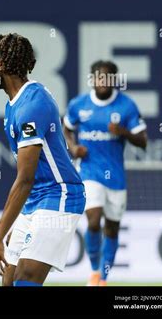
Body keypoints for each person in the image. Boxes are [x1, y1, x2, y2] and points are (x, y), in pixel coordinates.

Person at [0, 33, 85, 286]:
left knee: (26, 278)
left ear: (3, 65)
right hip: (34, 202)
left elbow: (25, 179)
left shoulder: (32, 105)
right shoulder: (14, 104)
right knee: (9, 279)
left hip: (59, 194)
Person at [63, 60, 147, 286]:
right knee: (93, 220)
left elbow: (143, 141)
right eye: (99, 77)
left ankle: (103, 278)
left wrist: (124, 132)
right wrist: (73, 148)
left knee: (111, 227)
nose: (102, 81)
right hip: (89, 172)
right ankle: (94, 271)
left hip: (116, 177)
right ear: (92, 79)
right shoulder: (79, 104)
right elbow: (66, 128)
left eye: (107, 77)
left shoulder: (126, 106)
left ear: (114, 80)